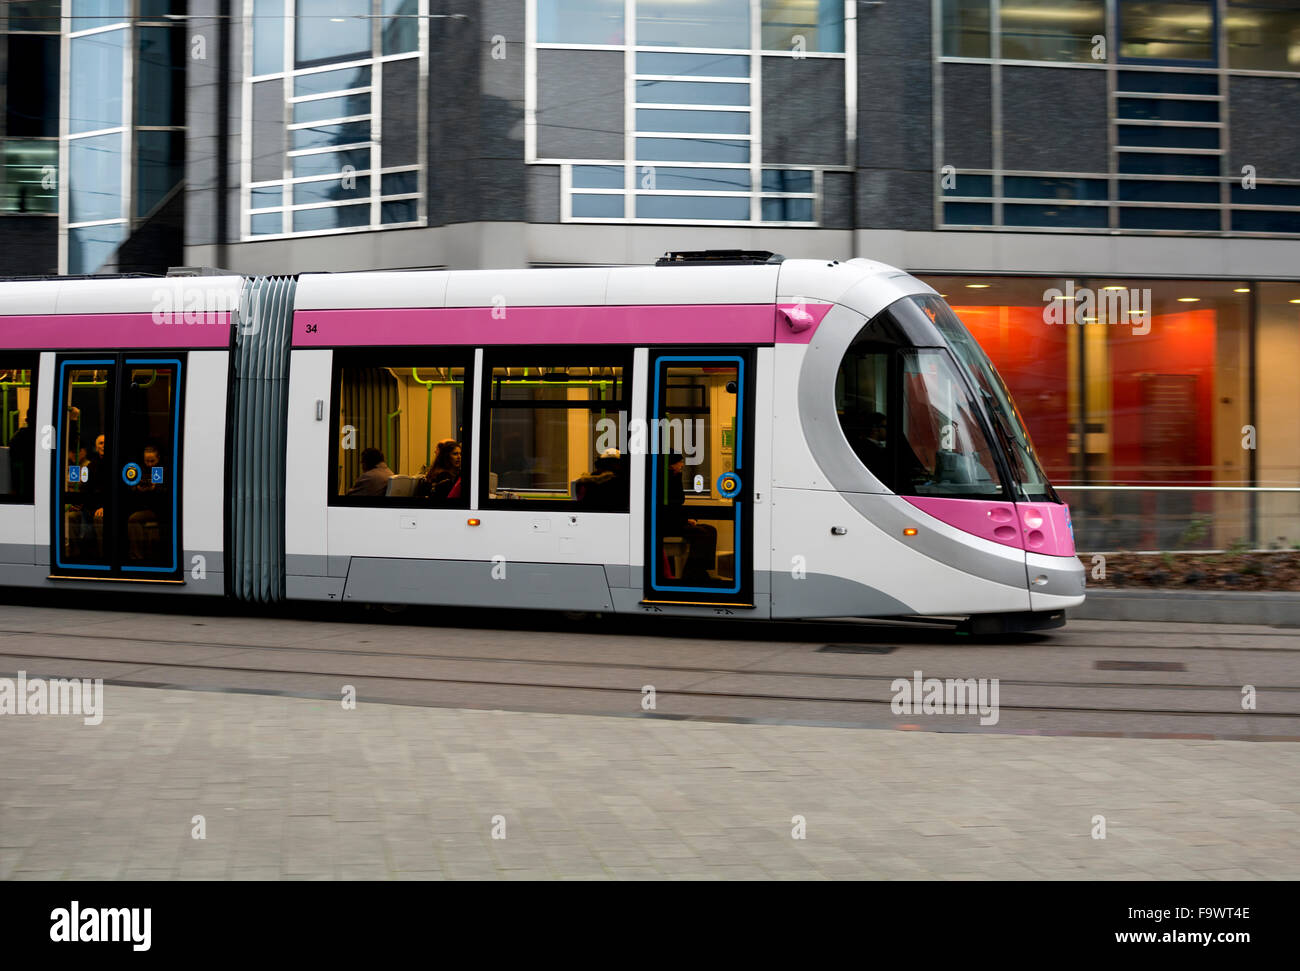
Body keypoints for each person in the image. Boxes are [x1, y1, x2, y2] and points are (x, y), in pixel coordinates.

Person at [661, 453, 717, 584]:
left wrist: (687, 518)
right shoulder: (665, 481)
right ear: (671, 465)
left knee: (711, 530)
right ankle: (692, 572)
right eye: (680, 462)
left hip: (675, 521)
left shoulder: (674, 478)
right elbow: (668, 509)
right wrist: (685, 521)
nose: (682, 465)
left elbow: (676, 505)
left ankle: (700, 569)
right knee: (702, 533)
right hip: (668, 524)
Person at [127, 443, 168, 561]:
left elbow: (169, 492)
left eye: (152, 461)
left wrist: (155, 489)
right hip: (141, 505)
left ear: (158, 458)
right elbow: (131, 486)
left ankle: (136, 556)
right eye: (147, 461)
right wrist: (137, 489)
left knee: (133, 519)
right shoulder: (140, 469)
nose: (149, 464)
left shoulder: (164, 470)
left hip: (158, 509)